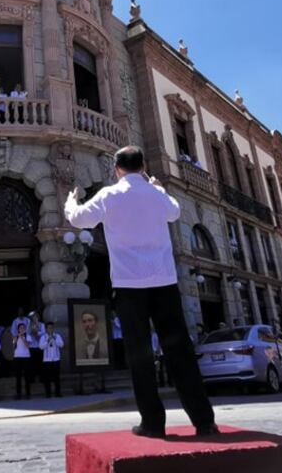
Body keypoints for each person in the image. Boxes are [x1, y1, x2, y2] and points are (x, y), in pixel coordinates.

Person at [64, 145, 217, 438]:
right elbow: (175, 212)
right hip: (164, 282)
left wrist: (71, 202)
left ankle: (152, 423)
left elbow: (78, 219)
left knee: (139, 354)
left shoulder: (109, 195)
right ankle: (203, 420)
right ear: (143, 167)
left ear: (116, 169)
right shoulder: (156, 194)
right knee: (180, 351)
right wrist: (158, 187)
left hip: (129, 285)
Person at [40, 322, 64, 398]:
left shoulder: (57, 336)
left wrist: (54, 339)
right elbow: (41, 347)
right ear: (46, 329)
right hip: (47, 360)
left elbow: (61, 344)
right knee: (47, 378)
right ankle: (48, 393)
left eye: (52, 327)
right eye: (49, 328)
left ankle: (58, 393)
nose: (50, 329)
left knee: (57, 377)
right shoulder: (43, 337)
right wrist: (47, 340)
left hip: (56, 359)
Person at [12, 323, 32, 399]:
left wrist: (23, 338)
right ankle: (18, 393)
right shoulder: (15, 336)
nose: (22, 329)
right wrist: (17, 337)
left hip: (26, 357)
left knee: (27, 376)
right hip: (17, 357)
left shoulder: (28, 336)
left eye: (23, 328)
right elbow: (13, 346)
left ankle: (28, 393)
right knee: (18, 376)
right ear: (18, 329)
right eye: (20, 328)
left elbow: (28, 345)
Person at [27, 311, 44, 383]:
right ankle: (32, 379)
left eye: (36, 316)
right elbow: (27, 334)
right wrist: (32, 332)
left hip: (39, 347)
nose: (35, 318)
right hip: (32, 347)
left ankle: (41, 378)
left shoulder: (42, 325)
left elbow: (43, 333)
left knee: (40, 363)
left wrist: (37, 333)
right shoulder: (29, 325)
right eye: (33, 317)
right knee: (32, 364)